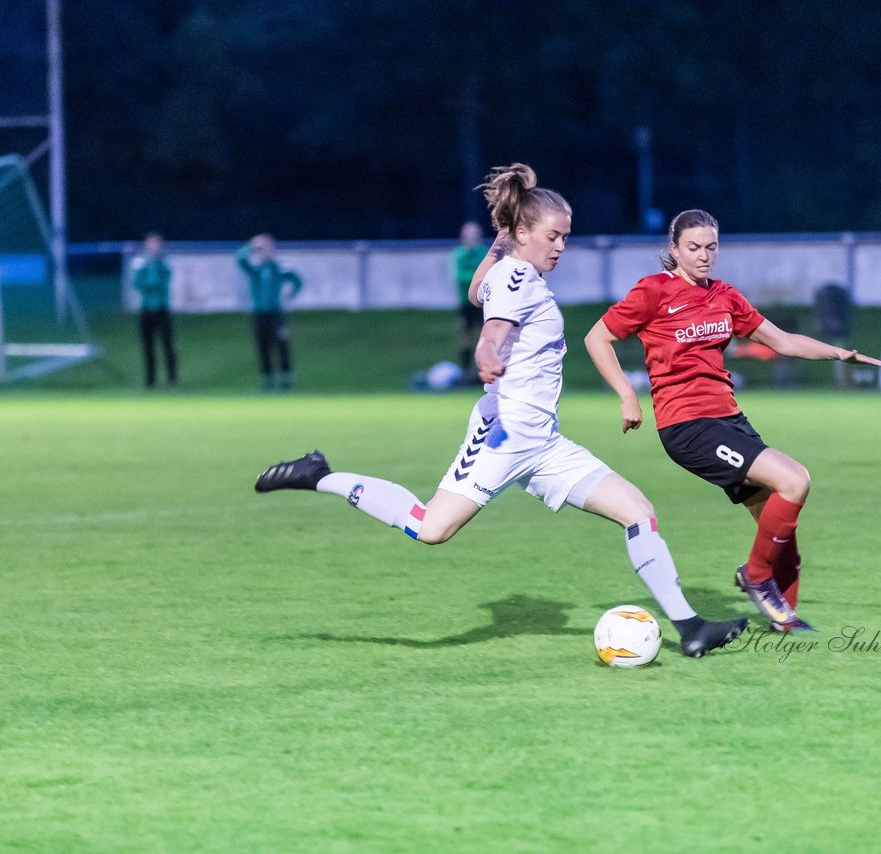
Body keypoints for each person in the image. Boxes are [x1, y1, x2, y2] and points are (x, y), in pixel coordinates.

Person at [255, 165, 748, 659]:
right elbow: (493, 324)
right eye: (553, 236)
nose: (560, 246)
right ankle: (321, 475)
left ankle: (690, 627)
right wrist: (487, 351)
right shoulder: (516, 277)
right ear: (525, 233)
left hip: (544, 442)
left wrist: (502, 241)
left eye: (565, 237)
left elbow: (476, 293)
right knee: (432, 529)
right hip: (503, 435)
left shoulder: (512, 270)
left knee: (638, 511)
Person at [584, 209, 881, 633]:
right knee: (795, 480)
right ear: (674, 249)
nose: (704, 255)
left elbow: (781, 341)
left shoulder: (725, 296)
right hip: (688, 426)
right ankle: (755, 576)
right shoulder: (653, 292)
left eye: (711, 247)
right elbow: (596, 337)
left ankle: (785, 623)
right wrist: (626, 396)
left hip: (730, 421)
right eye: (693, 247)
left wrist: (839, 352)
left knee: (779, 533)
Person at [236, 233, 303, 391]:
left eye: (266, 247)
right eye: (261, 248)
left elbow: (296, 279)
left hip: (276, 314)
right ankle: (267, 379)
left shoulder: (278, 267)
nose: (263, 250)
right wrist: (251, 246)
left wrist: (290, 295)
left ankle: (286, 379)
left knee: (281, 345)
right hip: (259, 314)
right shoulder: (256, 269)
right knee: (262, 346)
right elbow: (239, 259)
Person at [129, 232, 178, 388]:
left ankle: (172, 379)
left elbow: (162, 281)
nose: (154, 246)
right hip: (146, 309)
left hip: (162, 309)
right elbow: (137, 282)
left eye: (157, 243)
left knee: (168, 345)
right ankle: (150, 381)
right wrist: (149, 273)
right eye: (151, 243)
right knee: (148, 346)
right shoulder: (140, 261)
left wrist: (152, 269)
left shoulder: (163, 260)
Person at [450, 221, 489, 379]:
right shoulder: (460, 254)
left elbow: (489, 273)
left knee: (485, 338)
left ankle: (484, 373)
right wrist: (477, 276)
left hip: (484, 303)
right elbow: (460, 277)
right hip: (466, 303)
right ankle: (466, 373)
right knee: (466, 338)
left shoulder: (485, 253)